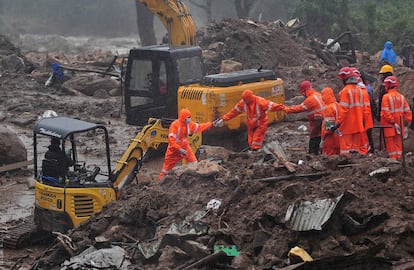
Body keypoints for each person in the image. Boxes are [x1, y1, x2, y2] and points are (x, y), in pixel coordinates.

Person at [216, 89, 285, 151]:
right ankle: (254, 149)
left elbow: (274, 106)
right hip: (251, 124)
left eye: (245, 100)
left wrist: (286, 109)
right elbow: (234, 112)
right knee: (251, 140)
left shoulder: (260, 102)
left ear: (249, 98)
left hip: (260, 123)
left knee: (256, 140)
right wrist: (223, 119)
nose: (244, 101)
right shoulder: (243, 103)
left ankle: (256, 151)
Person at [158, 108, 213, 182]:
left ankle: (192, 180)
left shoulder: (189, 124)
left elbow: (199, 127)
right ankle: (159, 183)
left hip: (185, 147)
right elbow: (171, 140)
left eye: (190, 117)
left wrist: (211, 124)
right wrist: (179, 149)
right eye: (188, 117)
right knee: (165, 170)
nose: (189, 119)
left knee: (194, 163)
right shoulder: (175, 125)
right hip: (173, 150)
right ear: (183, 117)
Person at [283, 81, 326, 155]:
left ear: (304, 92)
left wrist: (285, 109)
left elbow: (298, 109)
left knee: (314, 138)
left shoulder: (309, 100)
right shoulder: (318, 95)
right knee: (322, 137)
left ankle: (313, 153)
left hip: (317, 121)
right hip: (325, 120)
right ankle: (319, 152)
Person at [335, 67, 370, 156]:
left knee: (346, 151)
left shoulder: (345, 91)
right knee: (356, 150)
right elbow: (364, 109)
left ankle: (347, 167)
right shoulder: (360, 90)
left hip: (347, 126)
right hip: (358, 125)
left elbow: (343, 110)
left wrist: (338, 123)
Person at [380, 76, 412, 159]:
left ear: (388, 86)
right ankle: (399, 161)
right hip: (400, 126)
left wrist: (393, 122)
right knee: (398, 146)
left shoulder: (386, 97)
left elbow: (386, 112)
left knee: (391, 147)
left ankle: (393, 162)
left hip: (389, 126)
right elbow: (407, 112)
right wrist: (406, 124)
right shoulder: (401, 97)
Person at [352, 68, 375, 154]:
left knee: (366, 138)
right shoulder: (365, 89)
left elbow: (369, 105)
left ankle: (369, 152)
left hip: (364, 119)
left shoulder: (363, 90)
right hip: (366, 118)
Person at [320, 87, 340, 156]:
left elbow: (329, 128)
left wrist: (323, 139)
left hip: (330, 139)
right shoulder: (338, 105)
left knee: (329, 159)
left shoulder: (329, 108)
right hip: (339, 136)